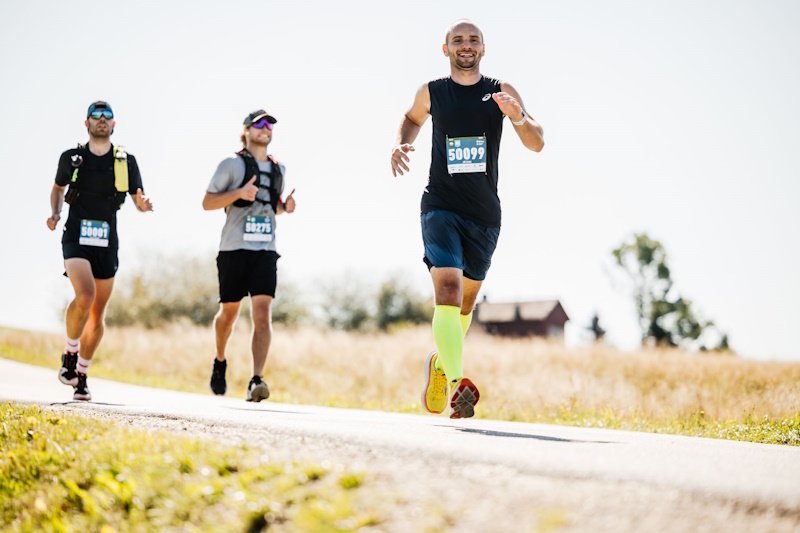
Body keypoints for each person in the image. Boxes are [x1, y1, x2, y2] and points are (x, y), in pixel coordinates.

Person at [390, 20, 544, 419]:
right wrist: (401, 143)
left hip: (484, 215)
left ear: (483, 48)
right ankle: (459, 385)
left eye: (472, 39)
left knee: (465, 305)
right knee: (447, 289)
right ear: (446, 49)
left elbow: (537, 143)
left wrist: (517, 118)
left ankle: (441, 364)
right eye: (457, 40)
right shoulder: (433, 92)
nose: (465, 45)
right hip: (440, 205)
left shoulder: (501, 91)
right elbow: (411, 118)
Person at [47, 100, 154, 401]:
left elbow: (138, 198)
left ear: (114, 124)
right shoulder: (72, 158)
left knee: (97, 316)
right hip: (76, 237)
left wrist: (143, 206)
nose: (102, 120)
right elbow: (58, 189)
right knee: (85, 295)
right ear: (87, 124)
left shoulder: (125, 162)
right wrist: (55, 214)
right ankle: (70, 352)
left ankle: (81, 374)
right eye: (96, 115)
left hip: (107, 242)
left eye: (108, 116)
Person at [203, 109, 296, 402]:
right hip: (233, 249)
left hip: (265, 250)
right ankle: (220, 361)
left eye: (270, 125)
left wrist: (286, 208)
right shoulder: (231, 164)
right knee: (229, 313)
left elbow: (272, 206)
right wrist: (239, 193)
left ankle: (256, 379)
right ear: (246, 131)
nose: (266, 128)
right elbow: (207, 202)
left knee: (263, 315)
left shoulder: (278, 169)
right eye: (259, 124)